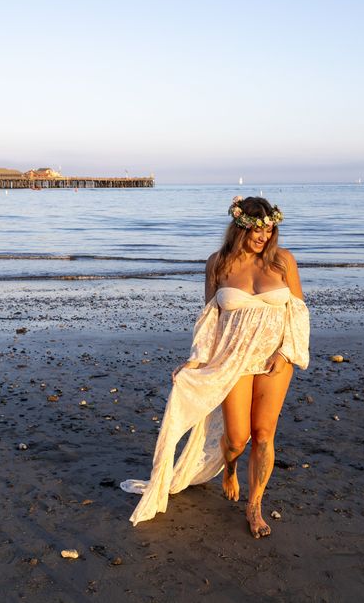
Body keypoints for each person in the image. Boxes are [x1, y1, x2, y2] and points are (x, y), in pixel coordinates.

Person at [120, 196, 310, 536]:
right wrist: (196, 359)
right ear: (239, 227)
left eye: (269, 229)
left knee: (264, 435)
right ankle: (229, 467)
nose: (263, 236)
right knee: (237, 439)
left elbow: (298, 312)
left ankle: (255, 508)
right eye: (257, 229)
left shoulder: (283, 262)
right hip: (231, 360)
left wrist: (286, 353)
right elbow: (210, 319)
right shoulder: (218, 264)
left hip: (274, 361)